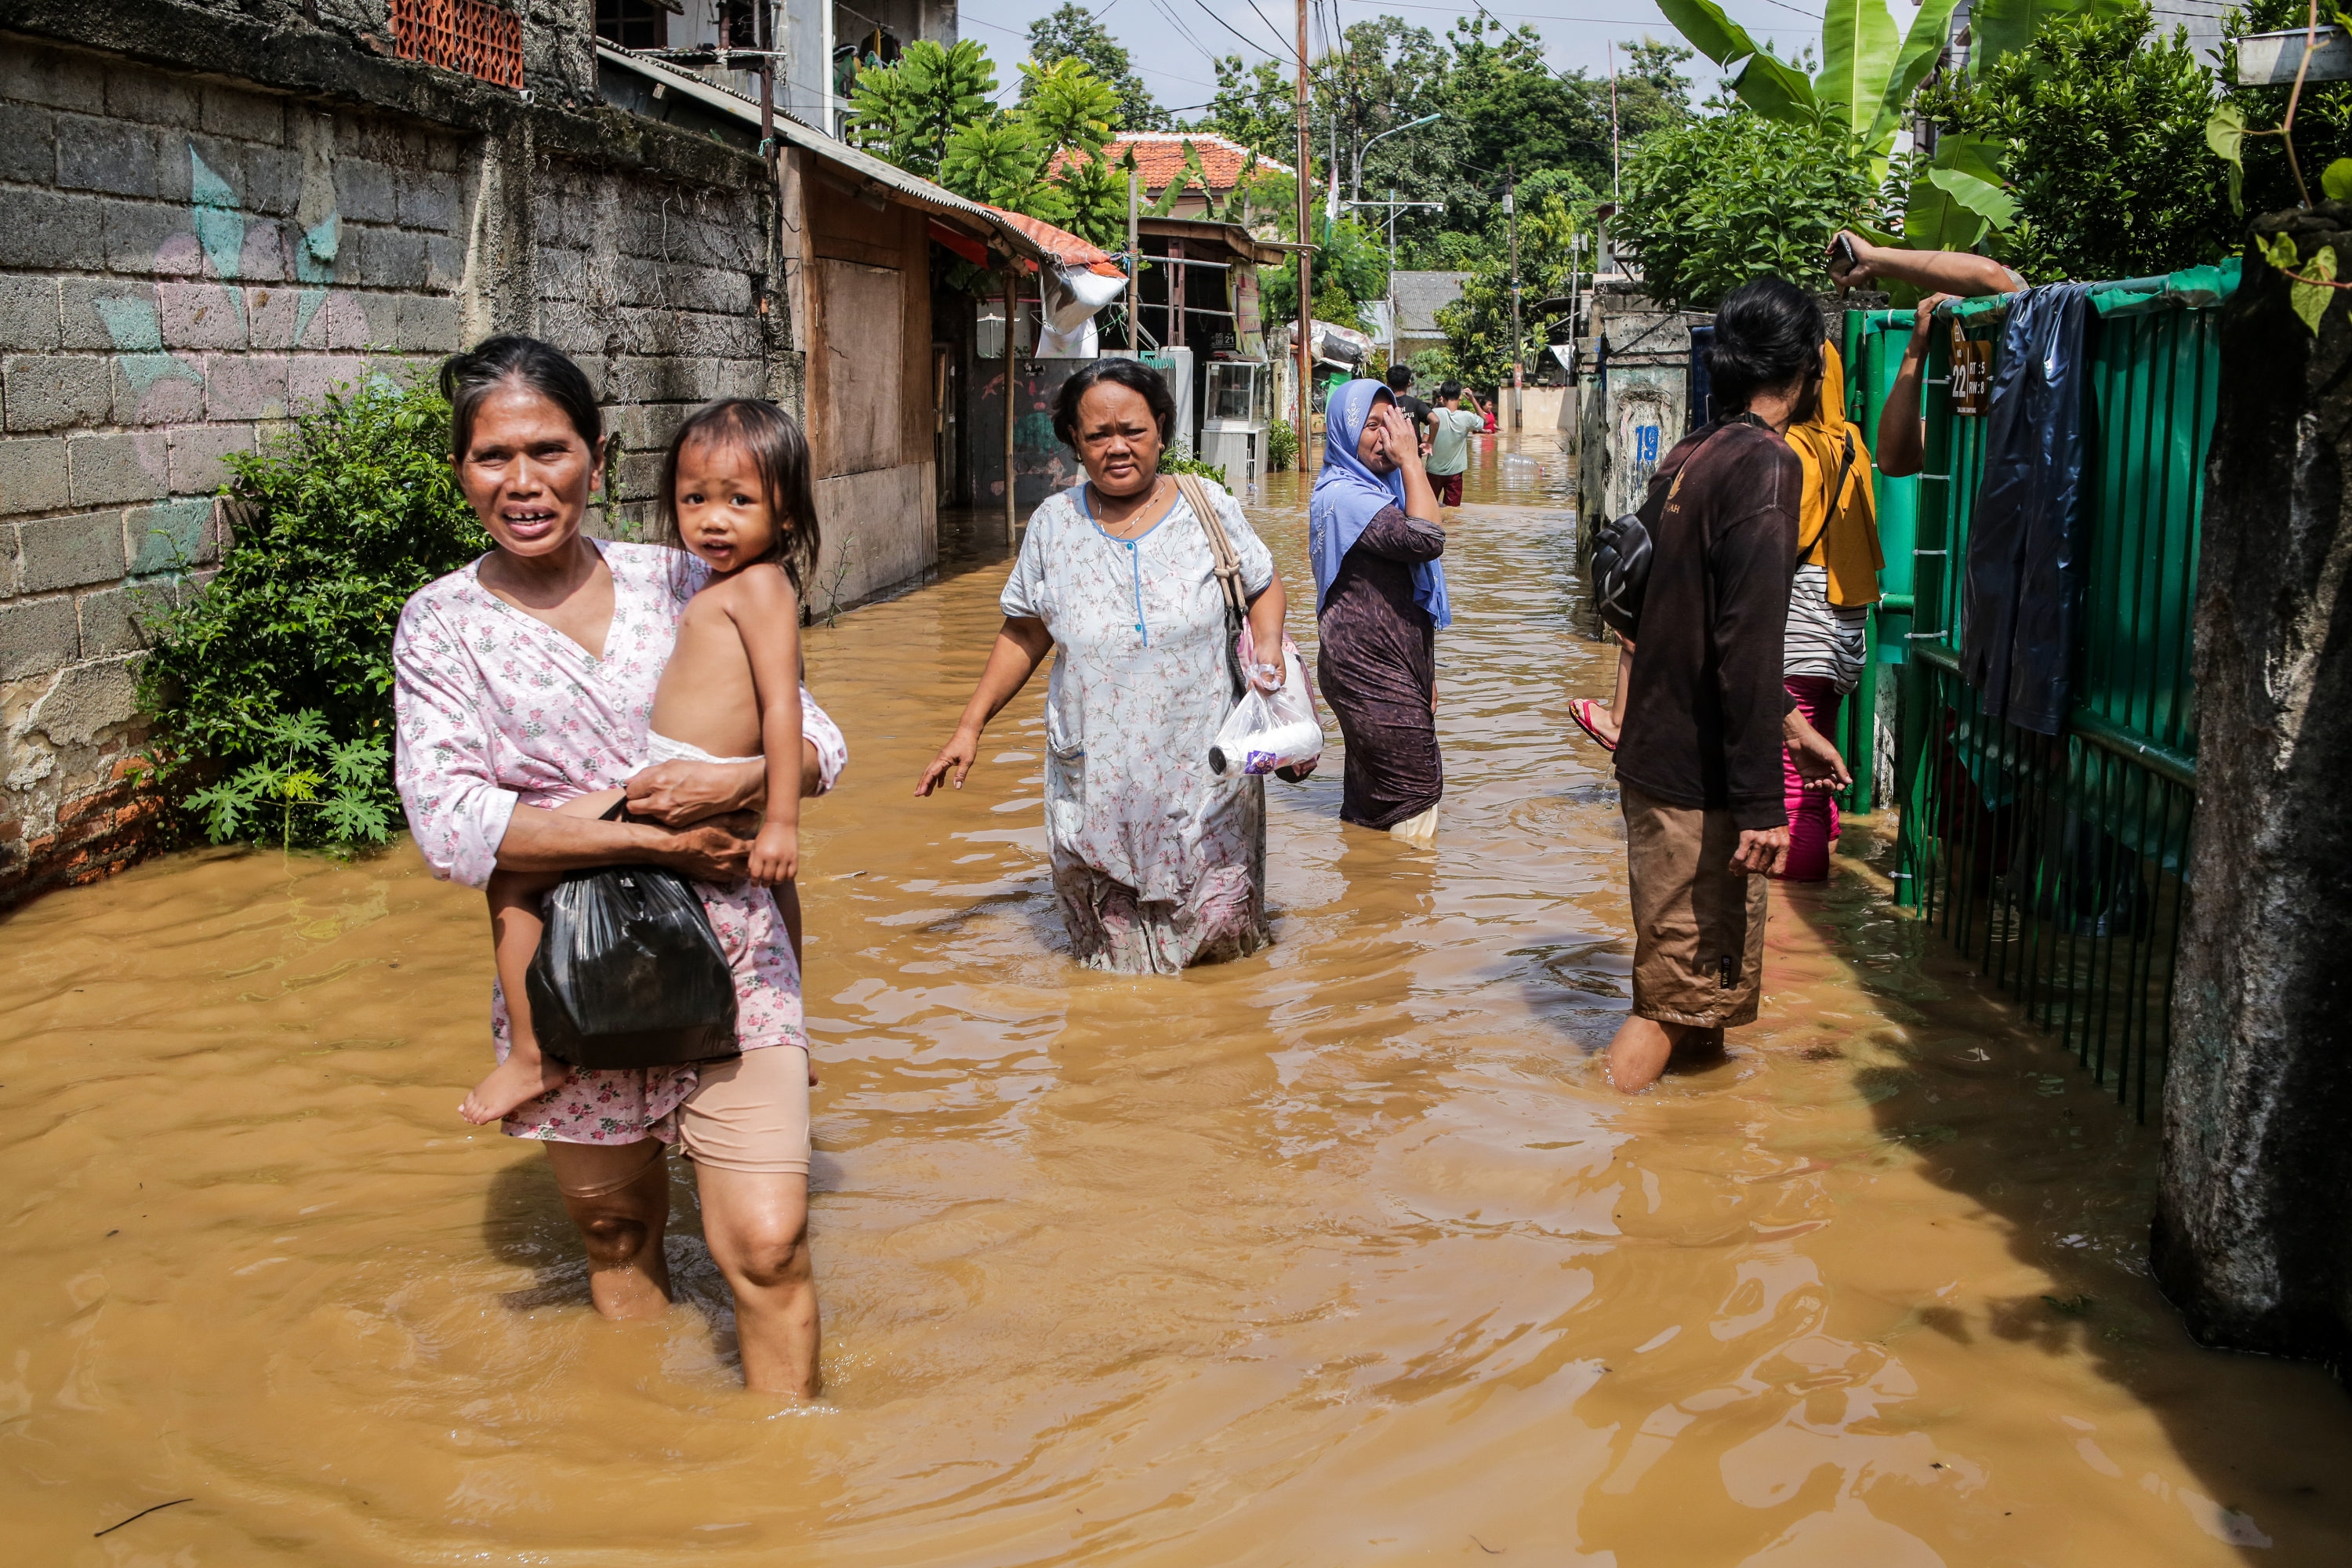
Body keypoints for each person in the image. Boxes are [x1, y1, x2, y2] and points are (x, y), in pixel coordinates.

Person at [393, 337, 847, 1397]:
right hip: (569, 969)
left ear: (596, 455)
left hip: (734, 952)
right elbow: (453, 825)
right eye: (491, 457)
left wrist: (723, 791)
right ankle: (651, 1459)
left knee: (770, 1242)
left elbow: (819, 747)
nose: (522, 482)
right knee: (615, 1233)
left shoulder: (693, 575)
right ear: (459, 470)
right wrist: (647, 836)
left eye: (547, 450)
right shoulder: (441, 626)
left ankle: (795, 1485)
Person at [462, 397, 815, 1122]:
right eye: (694, 500)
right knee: (768, 891)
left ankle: (533, 1055)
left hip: (678, 774)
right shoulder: (693, 577)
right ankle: (788, 1032)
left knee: (512, 877)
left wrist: (777, 814)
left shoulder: (760, 585)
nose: (712, 520)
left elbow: (791, 710)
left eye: (739, 502)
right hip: (667, 777)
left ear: (785, 514)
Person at [914, 357, 1298, 974]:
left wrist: (1271, 647)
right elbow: (1024, 631)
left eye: (1133, 431)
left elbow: (1262, 583)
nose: (1117, 448)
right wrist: (969, 726)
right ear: (1075, 442)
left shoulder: (1209, 505)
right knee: (1110, 956)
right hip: (1096, 776)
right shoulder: (1053, 526)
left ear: (1163, 429)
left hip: (1205, 772)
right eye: (1098, 435)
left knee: (1219, 942)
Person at [1606, 278, 1821, 1094]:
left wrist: (1793, 727)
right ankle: (1598, 1145)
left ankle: (1693, 1179)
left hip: (1660, 759)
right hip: (1698, 784)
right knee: (1670, 1000)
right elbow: (1745, 639)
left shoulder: (1691, 453)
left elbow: (1679, 618)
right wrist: (1766, 804)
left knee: (1704, 995)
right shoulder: (1767, 466)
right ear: (1804, 368)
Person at [1311, 379, 1451, 840]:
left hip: (1388, 664)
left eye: (1390, 425)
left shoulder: (1379, 491)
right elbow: (1427, 539)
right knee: (1416, 788)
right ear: (1343, 432)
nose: (1383, 438)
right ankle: (1411, 907)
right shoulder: (1344, 495)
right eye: (1370, 426)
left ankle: (1367, 902)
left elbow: (1402, 599)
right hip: (1366, 668)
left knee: (1372, 804)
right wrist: (1412, 460)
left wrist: (1423, 675)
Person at [1424, 383, 1486, 510]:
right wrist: (1473, 399)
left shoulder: (1434, 413)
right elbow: (1484, 420)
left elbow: (1425, 439)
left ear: (1442, 397)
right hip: (1455, 474)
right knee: (1453, 511)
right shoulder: (1467, 417)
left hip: (1433, 471)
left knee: (1428, 508)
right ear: (1461, 397)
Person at [1383, 362, 1435, 456]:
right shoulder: (1416, 403)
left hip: (1390, 455)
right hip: (1412, 454)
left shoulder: (1383, 404)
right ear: (1409, 384)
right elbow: (1435, 421)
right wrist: (1430, 443)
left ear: (1388, 384)